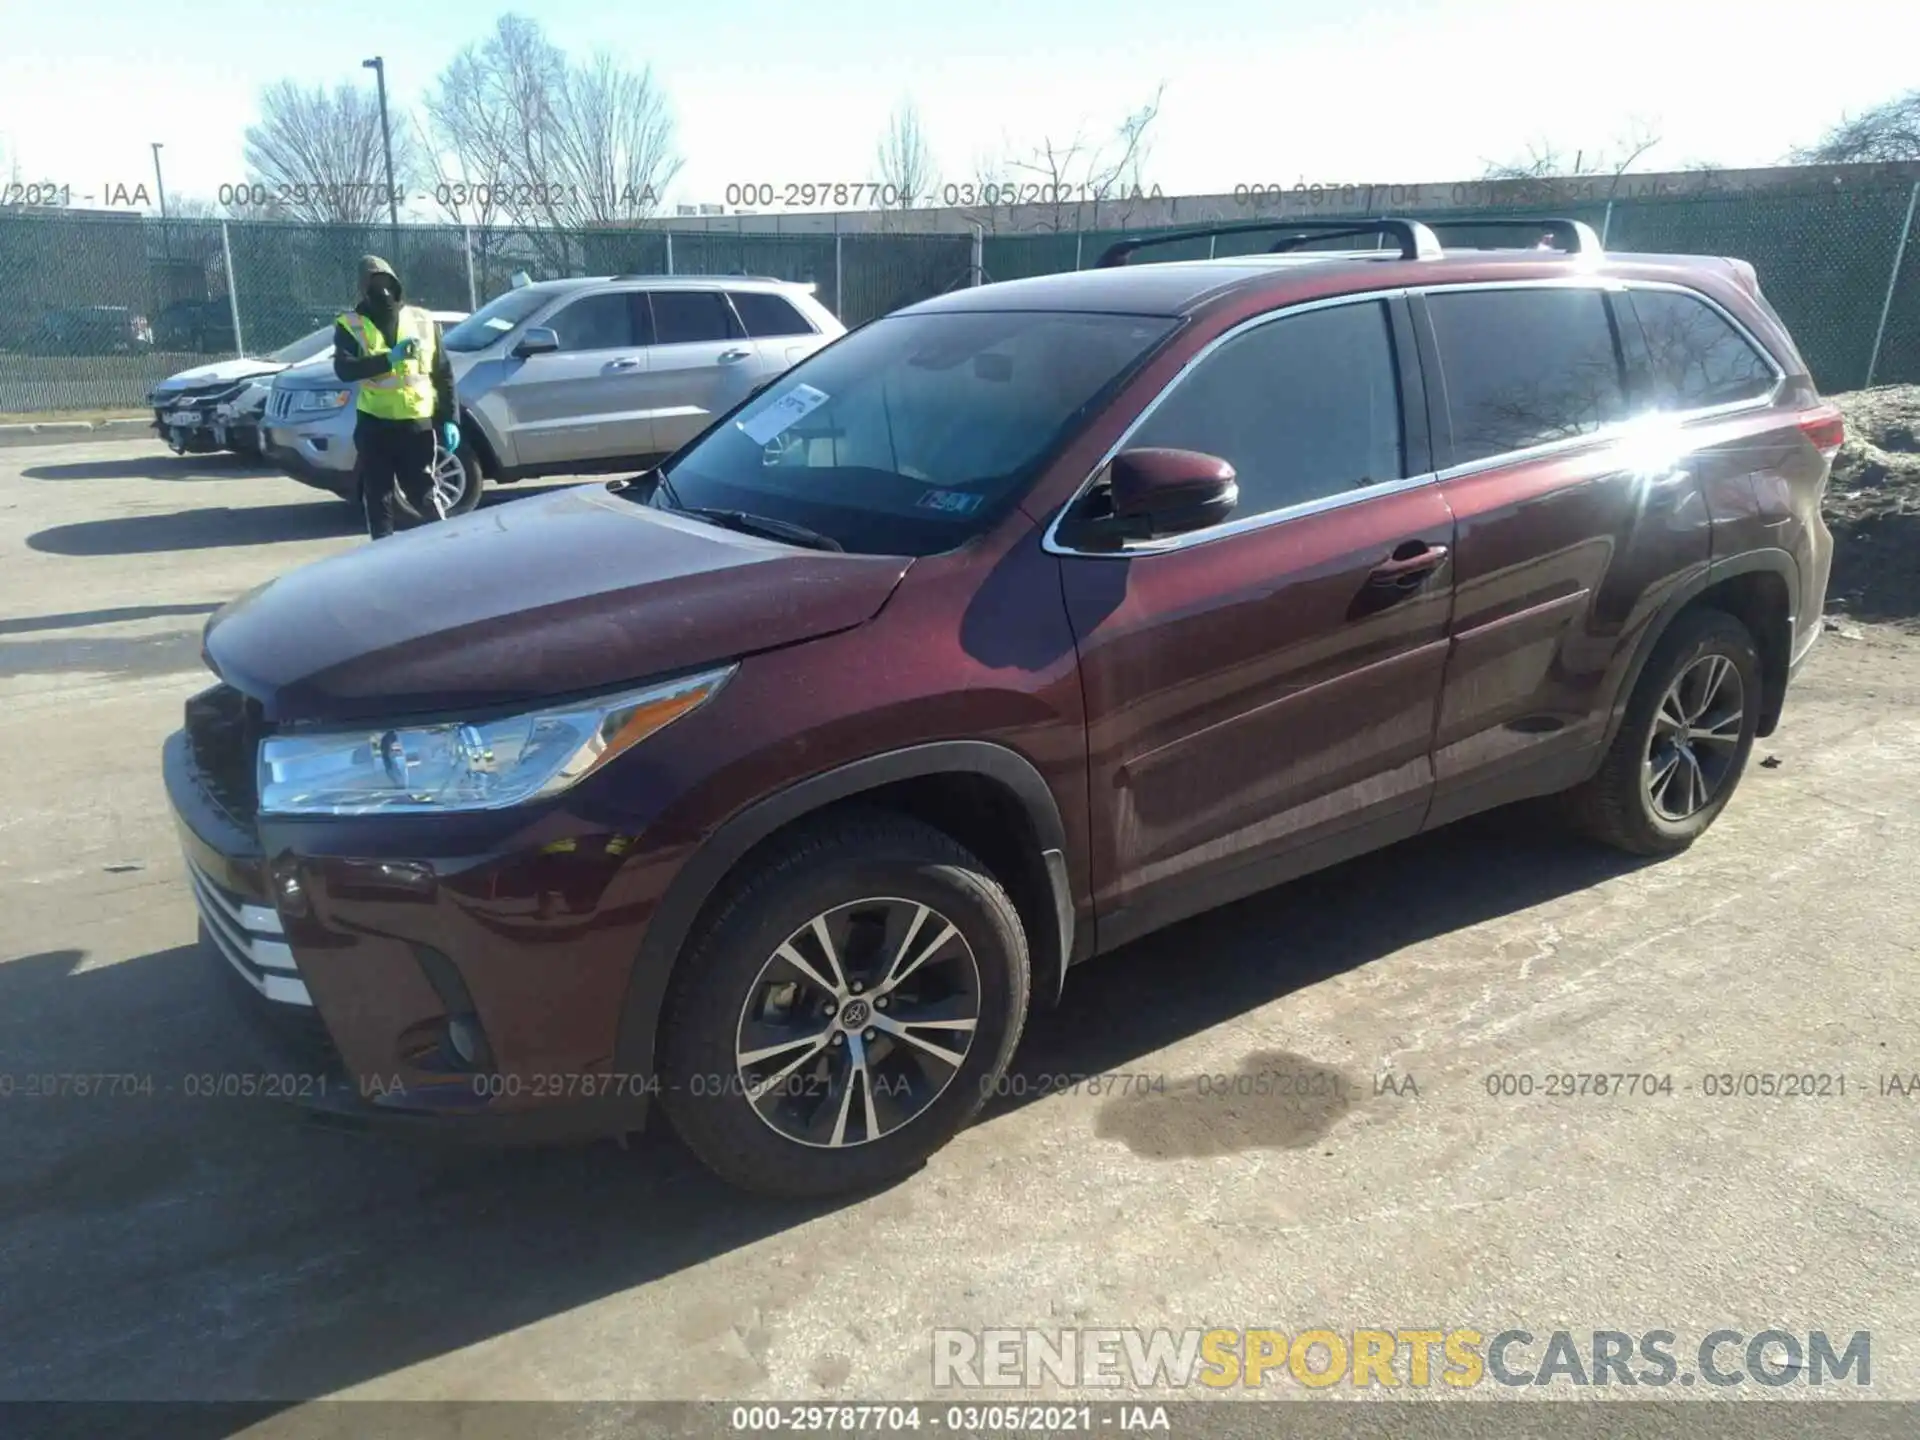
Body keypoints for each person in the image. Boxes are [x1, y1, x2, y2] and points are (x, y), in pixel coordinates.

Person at [333, 255, 459, 540]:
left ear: (397, 284)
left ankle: (448, 547)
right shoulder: (351, 324)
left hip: (415, 424)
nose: (383, 291)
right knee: (378, 496)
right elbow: (344, 369)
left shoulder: (422, 320)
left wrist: (450, 419)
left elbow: (443, 374)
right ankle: (383, 554)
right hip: (375, 424)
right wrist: (388, 359)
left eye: (387, 283)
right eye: (374, 284)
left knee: (423, 492)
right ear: (363, 290)